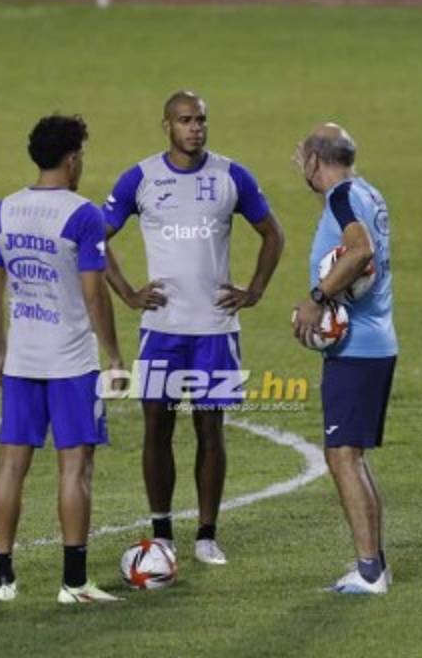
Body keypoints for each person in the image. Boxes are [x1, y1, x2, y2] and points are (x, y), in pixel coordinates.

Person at [102, 90, 285, 565]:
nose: (196, 128)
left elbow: (273, 233)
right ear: (167, 125)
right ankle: (161, 532)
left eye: (201, 119)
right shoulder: (140, 179)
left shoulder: (231, 176)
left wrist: (256, 290)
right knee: (157, 429)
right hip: (162, 327)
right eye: (186, 120)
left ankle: (206, 535)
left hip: (215, 328)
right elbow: (94, 237)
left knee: (211, 429)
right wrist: (125, 292)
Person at [0, 114, 125, 604]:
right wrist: (114, 354)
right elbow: (94, 296)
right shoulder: (83, 215)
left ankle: (3, 578)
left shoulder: (3, 211)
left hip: (22, 358)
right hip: (70, 362)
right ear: (72, 159)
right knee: (75, 468)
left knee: (11, 466)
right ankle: (74, 582)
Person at [291, 122, 398, 595]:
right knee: (348, 456)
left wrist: (318, 298)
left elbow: (360, 254)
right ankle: (374, 565)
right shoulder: (366, 193)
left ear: (317, 160)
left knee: (342, 457)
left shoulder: (343, 197)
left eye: (302, 158)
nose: (300, 166)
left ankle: (370, 571)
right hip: (373, 343)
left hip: (357, 348)